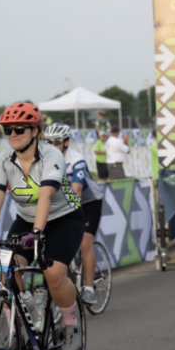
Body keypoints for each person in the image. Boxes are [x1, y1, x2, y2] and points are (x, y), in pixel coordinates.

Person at [0, 103, 85, 350]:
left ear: (36, 130)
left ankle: (72, 324)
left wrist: (38, 233)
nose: (13, 134)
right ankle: (21, 322)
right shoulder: (2, 160)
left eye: (19, 129)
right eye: (8, 130)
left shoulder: (52, 155)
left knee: (53, 274)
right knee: (4, 265)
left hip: (64, 218)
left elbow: (46, 196)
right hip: (26, 220)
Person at [45, 123, 105, 304]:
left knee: (85, 243)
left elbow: (76, 190)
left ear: (66, 142)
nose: (51, 146)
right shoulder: (43, 160)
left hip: (88, 202)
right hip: (63, 204)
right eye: (47, 142)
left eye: (56, 142)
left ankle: (88, 289)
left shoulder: (76, 159)